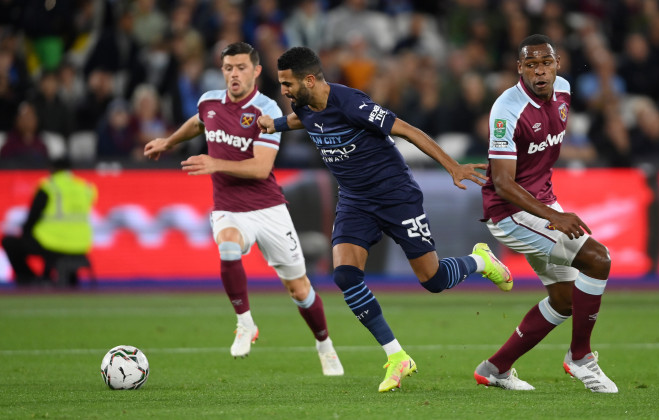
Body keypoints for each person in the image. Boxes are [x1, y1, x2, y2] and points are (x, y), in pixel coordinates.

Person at [257, 46, 513, 393]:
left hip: (396, 196)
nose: (283, 91)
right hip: (354, 200)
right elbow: (303, 119)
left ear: (310, 80)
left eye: (287, 84)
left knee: (433, 279)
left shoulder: (352, 103)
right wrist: (271, 124)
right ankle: (396, 356)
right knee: (346, 276)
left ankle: (479, 261)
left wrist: (453, 166)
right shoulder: (304, 106)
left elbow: (406, 129)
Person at [143, 42, 344, 376]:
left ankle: (325, 345)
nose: (234, 74)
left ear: (256, 71)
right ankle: (245, 322)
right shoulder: (209, 101)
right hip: (229, 207)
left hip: (268, 208)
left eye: (240, 68)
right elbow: (198, 122)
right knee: (228, 244)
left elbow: (260, 169)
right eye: (228, 68)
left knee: (299, 288)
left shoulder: (267, 110)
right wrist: (168, 141)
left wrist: (213, 162)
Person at [472, 34, 618, 393]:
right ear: (519, 68)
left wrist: (552, 210)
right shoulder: (507, 109)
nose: (540, 71)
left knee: (567, 300)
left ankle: (495, 368)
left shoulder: (564, 91)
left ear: (557, 65)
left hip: (542, 202)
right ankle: (580, 358)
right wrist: (555, 217)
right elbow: (504, 183)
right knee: (598, 259)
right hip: (510, 212)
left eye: (546, 63)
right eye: (531, 64)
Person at [1, 157, 96, 287]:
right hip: (81, 244)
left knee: (10, 242)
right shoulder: (85, 188)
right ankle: (67, 277)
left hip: (51, 242)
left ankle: (28, 279)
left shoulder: (49, 187)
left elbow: (33, 217)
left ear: (52, 169)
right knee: (47, 247)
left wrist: (25, 233)